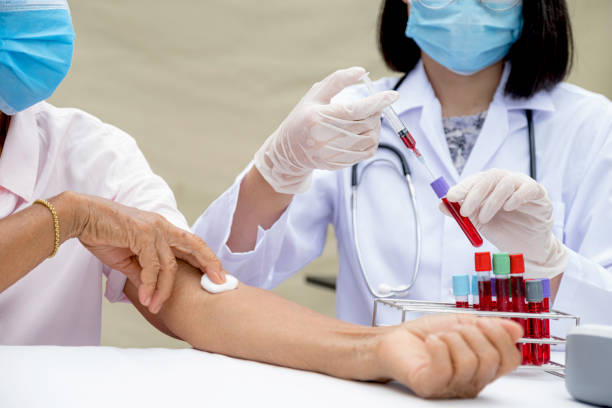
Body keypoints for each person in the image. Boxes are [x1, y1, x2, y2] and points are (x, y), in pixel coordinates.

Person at [0, 0, 523, 399]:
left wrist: (377, 347)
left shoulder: (85, 151)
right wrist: (62, 217)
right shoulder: (76, 196)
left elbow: (195, 292)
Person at [193, 0, 612, 330]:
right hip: (378, 389)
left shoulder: (590, 125)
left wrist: (552, 265)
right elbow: (217, 280)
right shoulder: (347, 119)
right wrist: (276, 170)